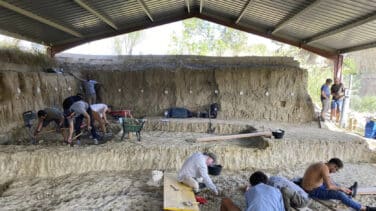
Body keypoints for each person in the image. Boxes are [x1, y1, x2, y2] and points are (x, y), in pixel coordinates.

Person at [302, 158, 376, 211]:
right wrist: (341, 188)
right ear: (333, 165)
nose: (334, 172)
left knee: (334, 183)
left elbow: (329, 182)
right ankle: (364, 208)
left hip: (312, 186)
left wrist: (341, 188)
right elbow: (329, 186)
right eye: (336, 169)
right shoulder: (324, 168)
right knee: (339, 194)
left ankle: (349, 192)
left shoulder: (321, 164)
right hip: (312, 191)